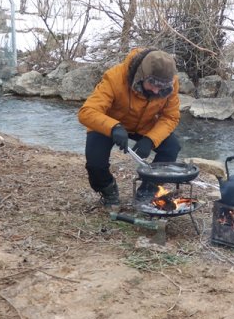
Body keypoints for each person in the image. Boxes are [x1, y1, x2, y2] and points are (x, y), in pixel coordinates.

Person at [78, 48, 181, 207]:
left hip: (145, 125)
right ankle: (107, 189)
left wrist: (150, 139)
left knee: (171, 147)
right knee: (95, 163)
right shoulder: (115, 77)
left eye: (162, 87)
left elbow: (170, 117)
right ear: (142, 74)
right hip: (110, 123)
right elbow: (87, 112)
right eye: (152, 83)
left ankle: (148, 190)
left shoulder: (171, 83)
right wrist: (114, 127)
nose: (156, 90)